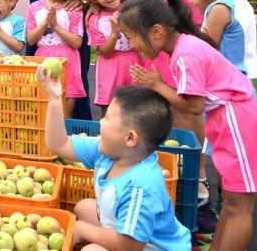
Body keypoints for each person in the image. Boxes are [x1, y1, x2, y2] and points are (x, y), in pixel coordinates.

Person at [121, 0, 257, 251]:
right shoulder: (184, 48)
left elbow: (194, 107)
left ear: (157, 31)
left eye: (131, 37)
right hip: (230, 120)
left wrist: (156, 85)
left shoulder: (187, 55)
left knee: (240, 208)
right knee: (231, 202)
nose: (132, 44)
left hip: (238, 121)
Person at [41, 67, 191, 250]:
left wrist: (83, 230)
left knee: (92, 250)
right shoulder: (107, 151)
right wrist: (54, 99)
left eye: (108, 119)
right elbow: (59, 143)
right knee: (83, 208)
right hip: (130, 236)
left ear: (129, 138)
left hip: (148, 246)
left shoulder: (141, 186)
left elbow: (130, 245)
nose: (101, 122)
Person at [26, 0, 84, 117]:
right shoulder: (34, 8)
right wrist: (46, 23)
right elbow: (31, 40)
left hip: (68, 61)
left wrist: (56, 26)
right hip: (42, 58)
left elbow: (77, 42)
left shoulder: (73, 9)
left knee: (65, 112)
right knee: (41, 109)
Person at [82, 0, 141, 117]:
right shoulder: (95, 20)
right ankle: (107, 139)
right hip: (110, 67)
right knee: (109, 109)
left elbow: (141, 42)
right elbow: (105, 52)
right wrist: (114, 33)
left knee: (136, 107)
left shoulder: (133, 10)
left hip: (134, 63)